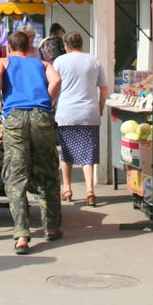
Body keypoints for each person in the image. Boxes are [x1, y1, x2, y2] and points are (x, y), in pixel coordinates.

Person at [0, 30, 62, 255]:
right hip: (41, 116)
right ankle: (51, 227)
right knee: (47, 170)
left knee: (15, 174)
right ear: (29, 46)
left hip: (15, 117)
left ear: (9, 47)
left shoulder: (4, 60)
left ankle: (22, 234)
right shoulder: (42, 64)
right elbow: (57, 80)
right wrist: (47, 101)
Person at [53, 32, 110, 206]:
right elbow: (104, 88)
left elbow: (54, 85)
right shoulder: (93, 61)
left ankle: (68, 189)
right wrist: (100, 107)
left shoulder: (59, 62)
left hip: (66, 113)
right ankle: (90, 191)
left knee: (66, 153)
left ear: (65, 45)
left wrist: (52, 104)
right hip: (89, 113)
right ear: (81, 44)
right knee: (88, 155)